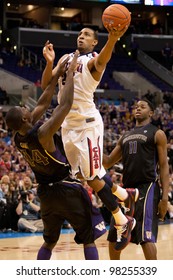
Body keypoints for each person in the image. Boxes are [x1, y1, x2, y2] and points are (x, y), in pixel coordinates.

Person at [41, 26, 139, 251]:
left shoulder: (93, 58)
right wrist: (49, 62)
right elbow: (47, 83)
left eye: (86, 35)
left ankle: (124, 221)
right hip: (67, 124)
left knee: (92, 177)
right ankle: (126, 194)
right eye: (79, 34)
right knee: (86, 176)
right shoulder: (66, 58)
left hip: (87, 125)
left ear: (95, 42)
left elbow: (103, 59)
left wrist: (113, 38)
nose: (81, 37)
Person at [5, 50, 106, 260]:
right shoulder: (42, 134)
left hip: (46, 195)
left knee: (49, 241)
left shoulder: (18, 137)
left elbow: (43, 102)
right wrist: (70, 75)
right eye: (23, 109)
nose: (26, 107)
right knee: (88, 238)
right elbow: (66, 105)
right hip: (65, 188)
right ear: (24, 119)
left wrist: (56, 70)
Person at [103, 98, 169, 260]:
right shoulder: (125, 136)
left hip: (147, 188)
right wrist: (91, 148)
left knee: (146, 238)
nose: (138, 109)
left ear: (151, 113)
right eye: (136, 106)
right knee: (114, 236)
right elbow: (108, 162)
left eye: (143, 107)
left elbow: (164, 166)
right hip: (126, 191)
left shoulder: (157, 133)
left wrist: (164, 199)